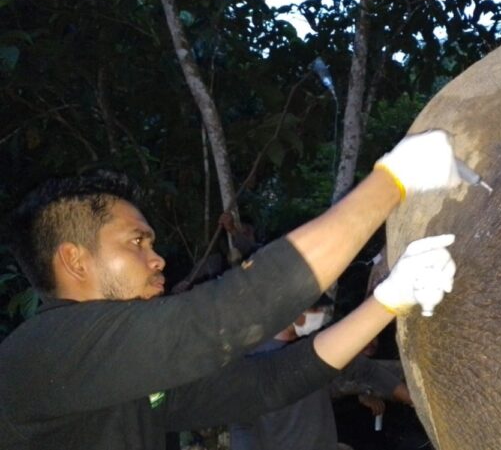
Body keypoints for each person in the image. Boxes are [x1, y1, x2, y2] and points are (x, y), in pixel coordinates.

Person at [0, 130, 461, 450]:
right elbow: (215, 320)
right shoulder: (41, 353)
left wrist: (387, 301)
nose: (157, 258)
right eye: (137, 241)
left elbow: (267, 383)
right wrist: (394, 180)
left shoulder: (124, 377)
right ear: (74, 259)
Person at [229, 295, 411, 450]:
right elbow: (242, 425)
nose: (320, 316)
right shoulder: (252, 362)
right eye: (313, 309)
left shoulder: (317, 348)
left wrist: (412, 399)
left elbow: (365, 369)